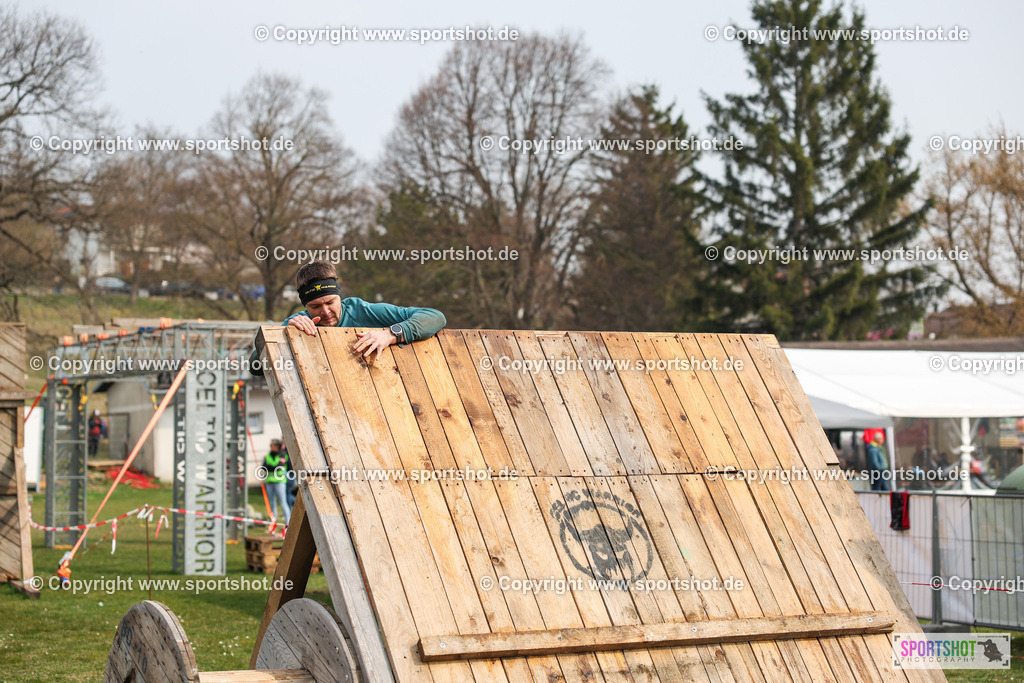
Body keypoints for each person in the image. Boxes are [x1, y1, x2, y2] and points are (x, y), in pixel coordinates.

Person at [248, 260, 447, 375]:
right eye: (315, 306)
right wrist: (284, 335)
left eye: (330, 302)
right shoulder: (297, 323)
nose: (325, 312)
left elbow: (435, 316)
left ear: (339, 297)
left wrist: (390, 335)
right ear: (304, 306)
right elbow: (255, 367)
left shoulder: (363, 310)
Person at [263, 439, 291, 524]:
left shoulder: (283, 455)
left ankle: (288, 524)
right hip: (270, 482)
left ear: (276, 446)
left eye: (272, 445)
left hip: (280, 482)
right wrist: (272, 467)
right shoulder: (268, 455)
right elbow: (264, 467)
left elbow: (279, 466)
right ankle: (273, 524)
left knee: (283, 503)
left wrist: (270, 467)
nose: (270, 447)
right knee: (272, 504)